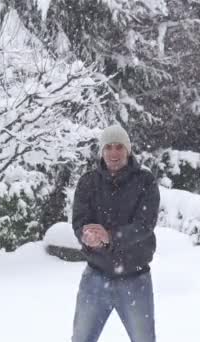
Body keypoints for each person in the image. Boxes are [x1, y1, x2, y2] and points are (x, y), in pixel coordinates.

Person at [71, 124, 160, 342]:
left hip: (135, 279)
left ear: (128, 150)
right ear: (101, 151)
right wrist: (87, 236)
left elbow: (145, 225)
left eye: (119, 146)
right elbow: (80, 221)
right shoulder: (88, 182)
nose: (113, 153)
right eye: (108, 147)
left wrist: (110, 236)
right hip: (96, 276)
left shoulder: (145, 182)